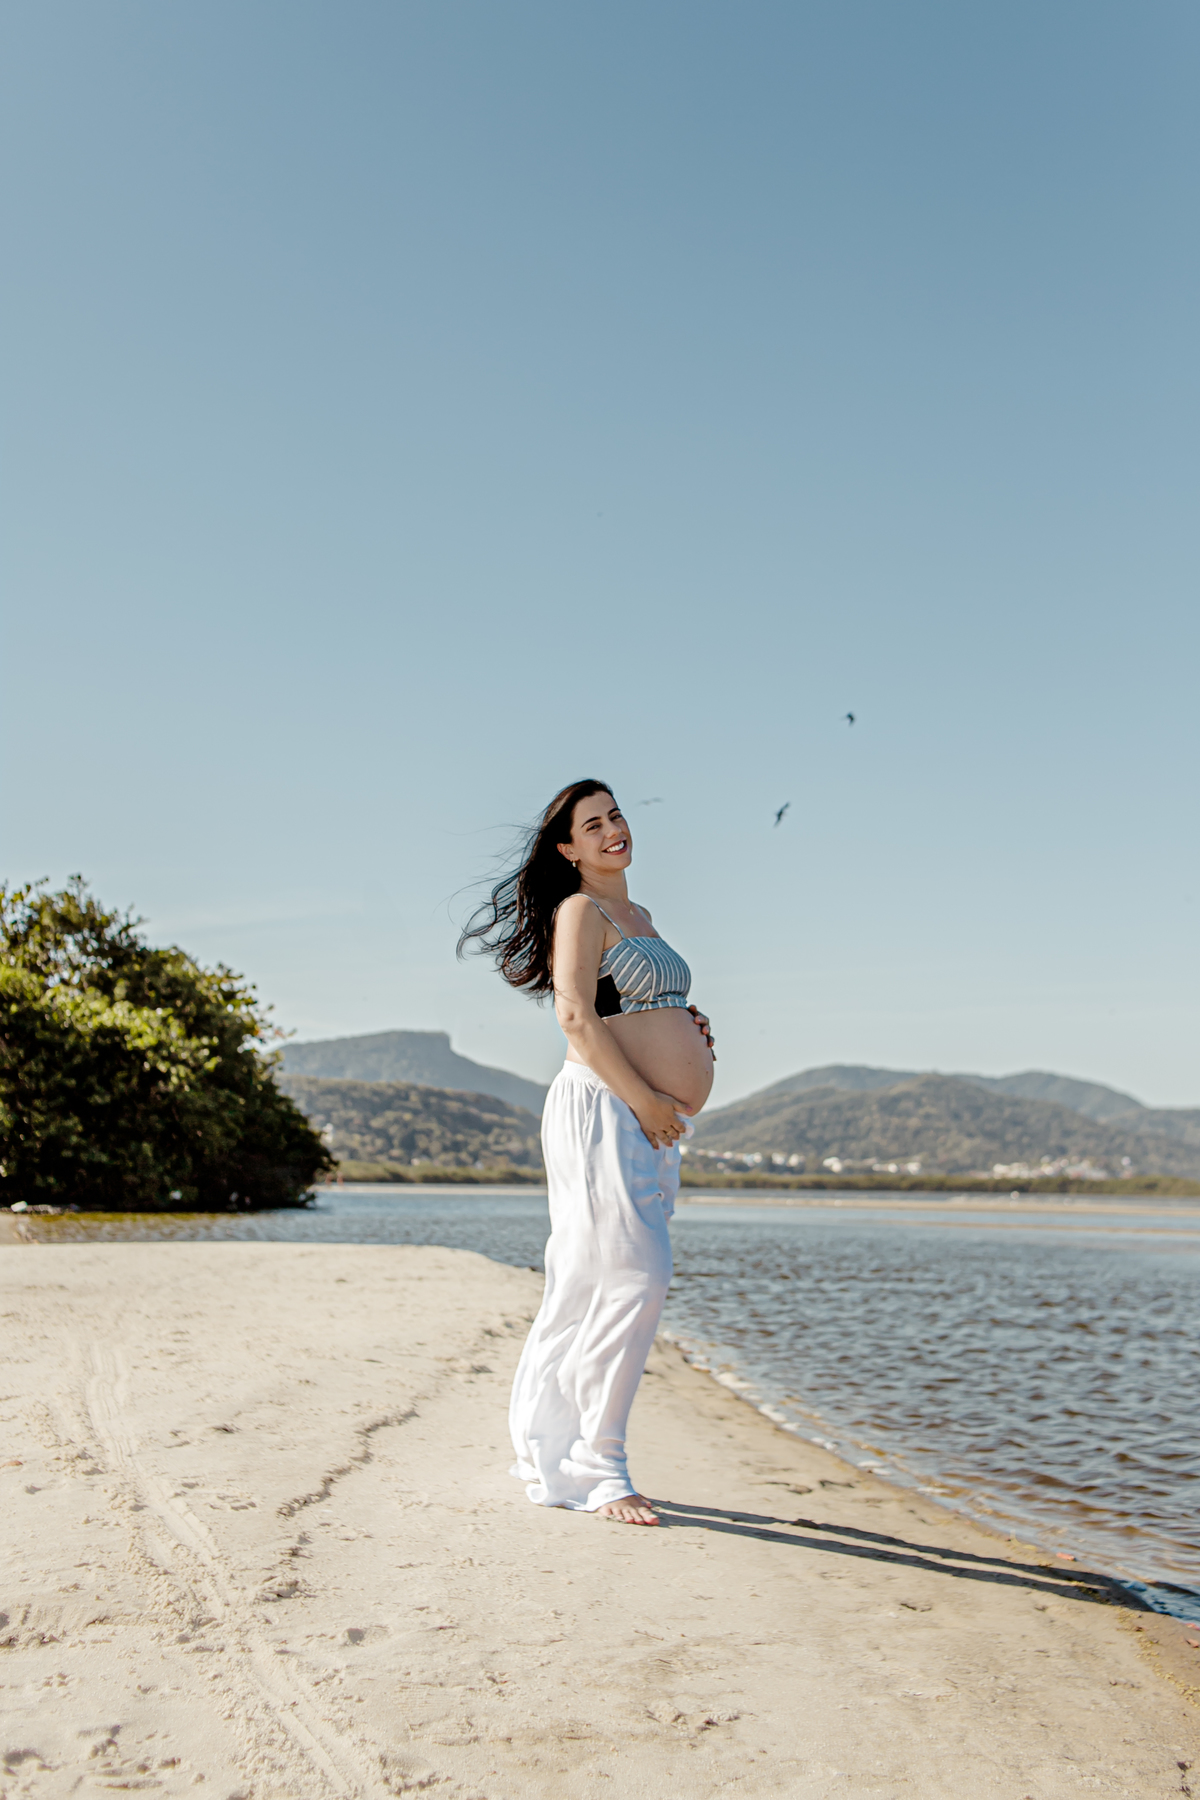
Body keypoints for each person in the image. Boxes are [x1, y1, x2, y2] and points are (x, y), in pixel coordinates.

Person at [459, 779, 714, 1524]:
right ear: (569, 849)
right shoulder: (581, 909)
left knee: (590, 1282)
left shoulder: (640, 916)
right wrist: (644, 1098)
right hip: (604, 1108)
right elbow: (575, 1013)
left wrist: (686, 1026)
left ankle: (554, 1447)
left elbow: (631, 1005)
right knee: (637, 1277)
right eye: (593, 825)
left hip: (642, 1116)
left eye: (617, 816)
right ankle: (601, 1467)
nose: (612, 831)